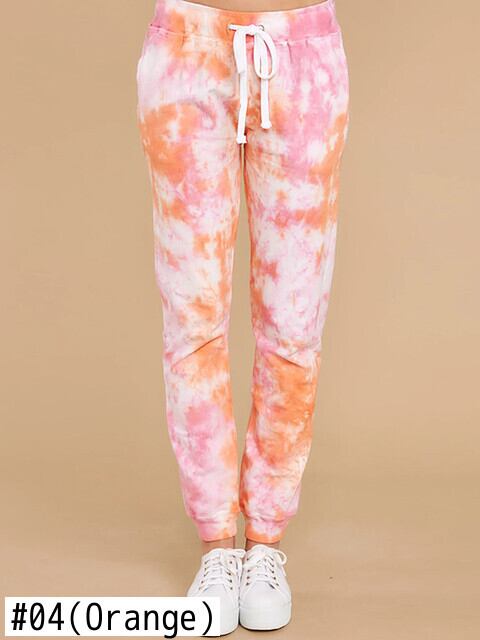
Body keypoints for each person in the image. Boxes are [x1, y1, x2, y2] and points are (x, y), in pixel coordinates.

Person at [136, 0, 349, 632]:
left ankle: (265, 545)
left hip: (305, 62)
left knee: (294, 327)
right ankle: (216, 547)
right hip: (186, 52)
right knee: (192, 319)